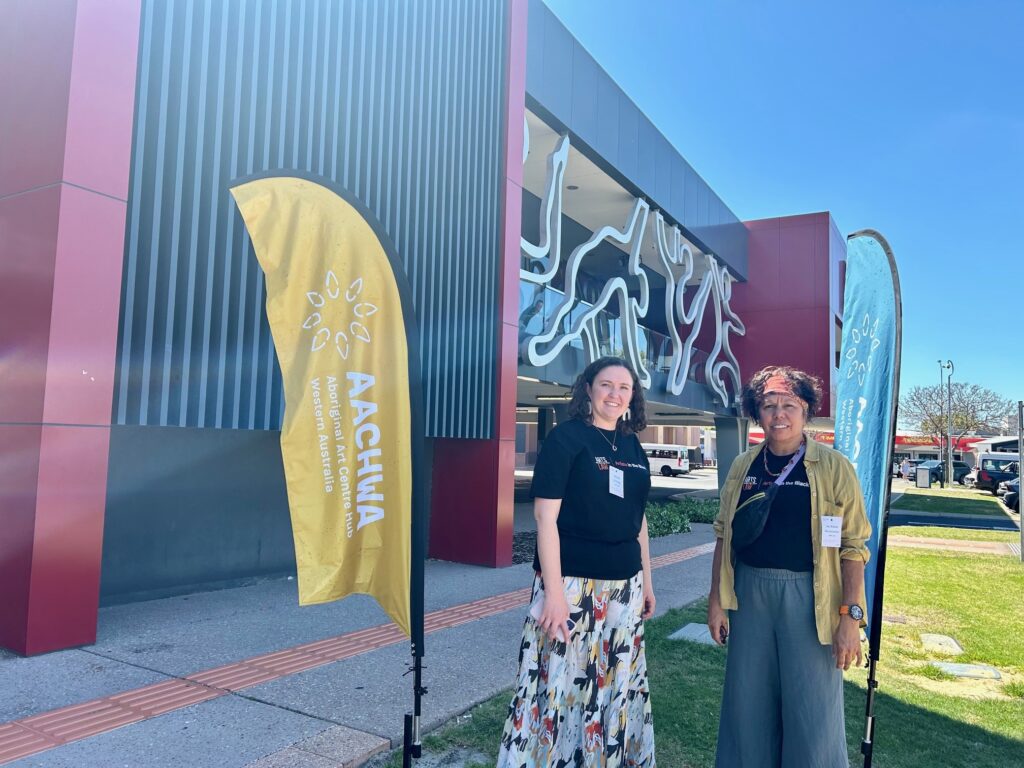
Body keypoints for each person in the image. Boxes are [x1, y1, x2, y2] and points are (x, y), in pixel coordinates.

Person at [707, 365, 871, 768]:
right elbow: (724, 534)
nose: (779, 414)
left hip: (811, 598)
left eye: (789, 405)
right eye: (768, 405)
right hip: (749, 596)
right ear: (756, 413)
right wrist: (715, 601)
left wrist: (850, 617)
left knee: (812, 709)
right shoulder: (743, 467)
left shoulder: (835, 468)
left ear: (806, 411)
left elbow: (853, 546)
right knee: (747, 707)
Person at [498, 356, 656, 767]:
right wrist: (553, 594)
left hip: (625, 587)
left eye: (624, 387)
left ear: (632, 396)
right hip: (571, 585)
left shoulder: (633, 445)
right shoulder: (566, 440)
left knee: (614, 683)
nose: (615, 394)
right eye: (606, 385)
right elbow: (544, 518)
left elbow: (638, 521)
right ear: (588, 389)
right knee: (562, 684)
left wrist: (648, 583)